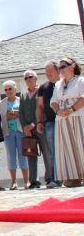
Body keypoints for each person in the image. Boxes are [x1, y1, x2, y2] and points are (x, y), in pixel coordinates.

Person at [50, 57, 84, 188]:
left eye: (63, 66)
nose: (61, 69)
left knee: (81, 146)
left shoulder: (80, 81)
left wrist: (71, 109)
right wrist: (58, 111)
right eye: (59, 67)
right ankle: (72, 176)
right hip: (62, 119)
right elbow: (53, 101)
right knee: (66, 148)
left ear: (72, 66)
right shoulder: (58, 84)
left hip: (78, 116)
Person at [0, 80, 28, 190]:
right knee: (11, 157)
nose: (8, 91)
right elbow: (2, 117)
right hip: (8, 132)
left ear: (15, 89)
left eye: (10, 88)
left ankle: (26, 181)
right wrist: (11, 114)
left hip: (20, 131)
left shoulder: (21, 101)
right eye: (6, 89)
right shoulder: (2, 103)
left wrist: (15, 114)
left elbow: (23, 114)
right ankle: (14, 182)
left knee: (23, 156)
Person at [37, 61, 61, 188]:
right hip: (50, 122)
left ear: (58, 71)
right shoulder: (43, 87)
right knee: (51, 150)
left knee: (66, 149)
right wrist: (39, 122)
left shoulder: (64, 84)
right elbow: (40, 106)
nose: (48, 74)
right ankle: (53, 178)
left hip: (65, 121)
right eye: (46, 71)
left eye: (50, 71)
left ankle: (71, 176)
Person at [19, 70, 41, 189]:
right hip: (27, 130)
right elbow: (21, 113)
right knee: (30, 154)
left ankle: (51, 178)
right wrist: (24, 127)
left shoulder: (41, 92)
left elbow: (41, 110)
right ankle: (33, 181)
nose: (28, 80)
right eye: (26, 78)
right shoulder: (23, 95)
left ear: (36, 78)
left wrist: (33, 124)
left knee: (47, 152)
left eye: (30, 77)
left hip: (39, 126)